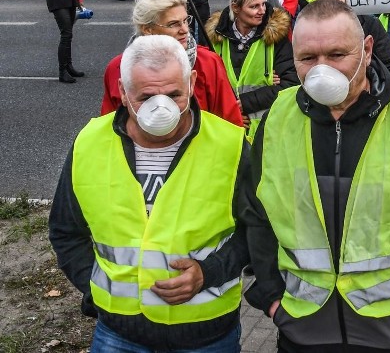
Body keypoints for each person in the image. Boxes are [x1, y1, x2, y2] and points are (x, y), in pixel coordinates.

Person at [239, 0, 390, 352]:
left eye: (337, 54)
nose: (321, 69)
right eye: (307, 58)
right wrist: (272, 296)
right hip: (303, 326)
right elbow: (255, 212)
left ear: (367, 50)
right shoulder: (278, 117)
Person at [49, 35, 250, 352]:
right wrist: (96, 288)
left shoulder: (231, 145)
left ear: (192, 81)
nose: (162, 108)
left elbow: (257, 231)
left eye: (174, 94)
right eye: (146, 97)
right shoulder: (89, 144)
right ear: (123, 91)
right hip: (118, 333)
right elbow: (65, 230)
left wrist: (208, 273)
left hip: (206, 335)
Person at [100, 0, 242, 126]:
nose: (185, 30)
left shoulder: (208, 62)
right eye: (174, 24)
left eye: (186, 20)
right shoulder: (117, 68)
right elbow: (109, 127)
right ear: (147, 29)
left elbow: (230, 123)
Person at [206, 0, 298, 141]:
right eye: (254, 6)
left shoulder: (277, 37)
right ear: (236, 8)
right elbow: (206, 89)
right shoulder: (214, 39)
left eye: (263, 4)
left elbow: (291, 84)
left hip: (269, 133)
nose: (262, 10)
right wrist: (229, 113)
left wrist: (244, 102)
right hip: (227, 133)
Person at [315, 0, 390, 79]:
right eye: (322, 2)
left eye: (336, 0)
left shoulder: (370, 25)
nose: (329, 6)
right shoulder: (311, 30)